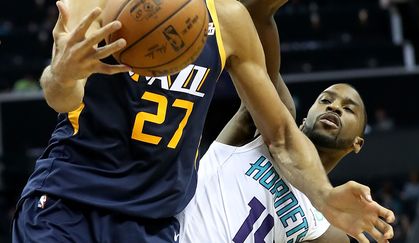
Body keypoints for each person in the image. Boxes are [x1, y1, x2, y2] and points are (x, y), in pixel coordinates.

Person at [13, 0, 394, 242]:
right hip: (70, 199)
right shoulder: (96, 4)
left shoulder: (228, 19)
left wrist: (324, 195)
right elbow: (61, 98)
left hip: (152, 222)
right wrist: (60, 74)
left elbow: (280, 133)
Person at [178, 83, 372, 243]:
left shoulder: (320, 226)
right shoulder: (260, 135)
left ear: (357, 143)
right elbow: (261, 68)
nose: (334, 107)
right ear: (303, 121)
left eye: (348, 109)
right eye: (325, 100)